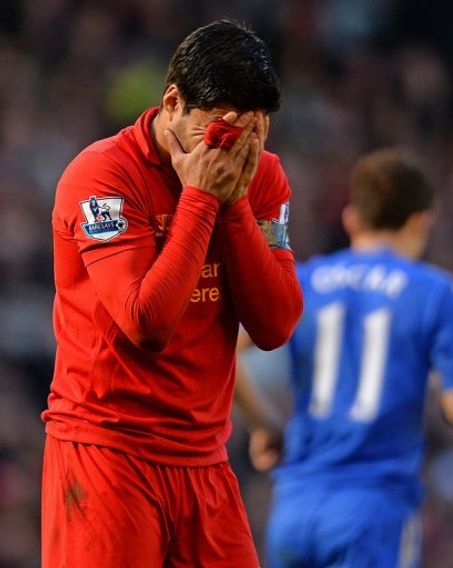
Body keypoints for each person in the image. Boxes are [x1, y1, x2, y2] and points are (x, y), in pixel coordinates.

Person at [42, 20, 303, 568]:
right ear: (173, 103)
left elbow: (276, 325)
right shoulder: (101, 176)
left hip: (204, 459)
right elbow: (147, 321)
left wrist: (232, 204)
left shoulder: (261, 176)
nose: (238, 150)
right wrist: (205, 199)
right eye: (222, 132)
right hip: (108, 452)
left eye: (255, 133)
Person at [236, 148, 453, 568]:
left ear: (352, 219)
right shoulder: (435, 291)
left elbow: (224, 350)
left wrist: (264, 423)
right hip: (374, 509)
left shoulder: (304, 281)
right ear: (420, 221)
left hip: (296, 505)